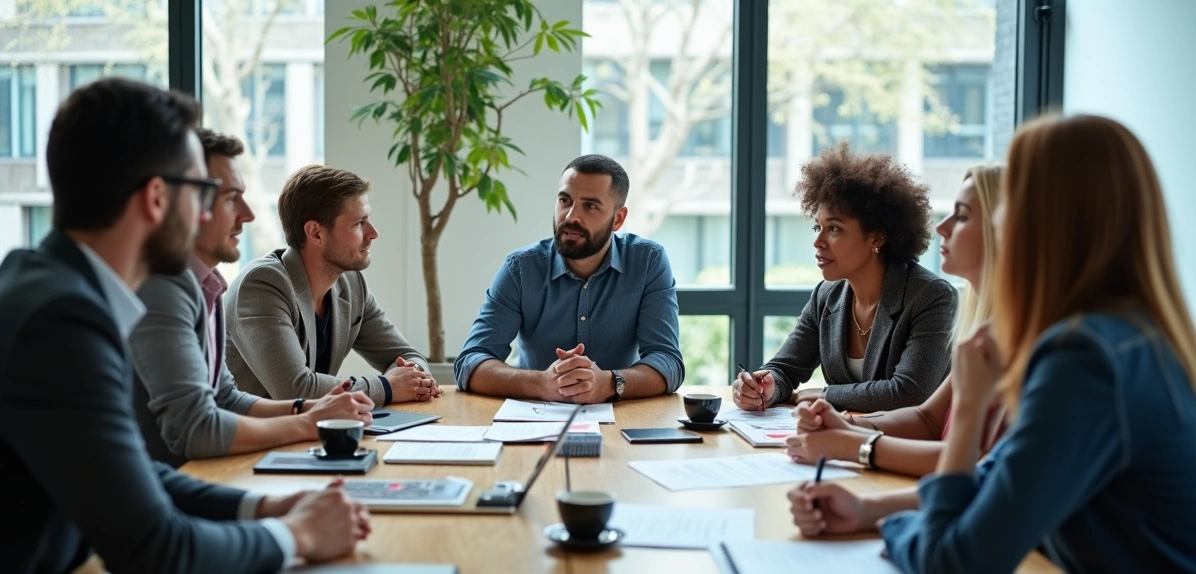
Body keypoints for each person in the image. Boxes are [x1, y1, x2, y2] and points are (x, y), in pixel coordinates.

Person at [0, 78, 370, 574]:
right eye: (202, 192)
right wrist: (299, 536)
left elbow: (139, 478)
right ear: (157, 198)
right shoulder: (61, 323)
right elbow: (157, 556)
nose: (225, 212)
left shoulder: (50, 289)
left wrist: (269, 510)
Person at [789, 115, 1196, 574]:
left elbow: (956, 564)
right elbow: (1004, 479)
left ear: (1047, 219)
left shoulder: (1083, 358)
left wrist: (896, 521)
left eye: (1004, 205)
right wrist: (866, 508)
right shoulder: (1127, 335)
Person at [129, 129, 375, 467]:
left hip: (200, 476)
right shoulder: (161, 289)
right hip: (177, 485)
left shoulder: (207, 286)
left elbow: (226, 399)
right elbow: (194, 429)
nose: (248, 214)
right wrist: (306, 421)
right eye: (231, 198)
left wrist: (310, 408)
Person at [785, 165, 1007, 477]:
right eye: (817, 228)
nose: (942, 227)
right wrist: (850, 425)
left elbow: (980, 467)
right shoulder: (986, 326)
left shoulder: (933, 295)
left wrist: (851, 443)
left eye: (962, 216)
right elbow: (928, 419)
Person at [732, 143, 957, 413]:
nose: (817, 241)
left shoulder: (931, 297)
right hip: (845, 441)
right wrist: (766, 385)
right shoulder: (827, 295)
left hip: (912, 448)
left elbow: (909, 393)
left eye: (834, 228)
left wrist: (825, 394)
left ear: (877, 237)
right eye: (818, 227)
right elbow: (785, 368)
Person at [454, 154, 684, 403]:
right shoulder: (520, 268)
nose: (571, 216)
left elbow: (668, 362)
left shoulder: (647, 262)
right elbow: (471, 362)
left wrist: (607, 383)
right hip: (534, 422)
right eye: (565, 200)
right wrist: (542, 384)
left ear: (618, 218)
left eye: (590, 206)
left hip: (621, 419)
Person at [224, 165, 437, 407]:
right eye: (359, 223)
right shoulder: (262, 286)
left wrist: (414, 376)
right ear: (315, 233)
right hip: (249, 439)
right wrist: (388, 387)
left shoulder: (351, 283)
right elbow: (296, 389)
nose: (373, 233)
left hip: (308, 435)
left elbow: (405, 356)